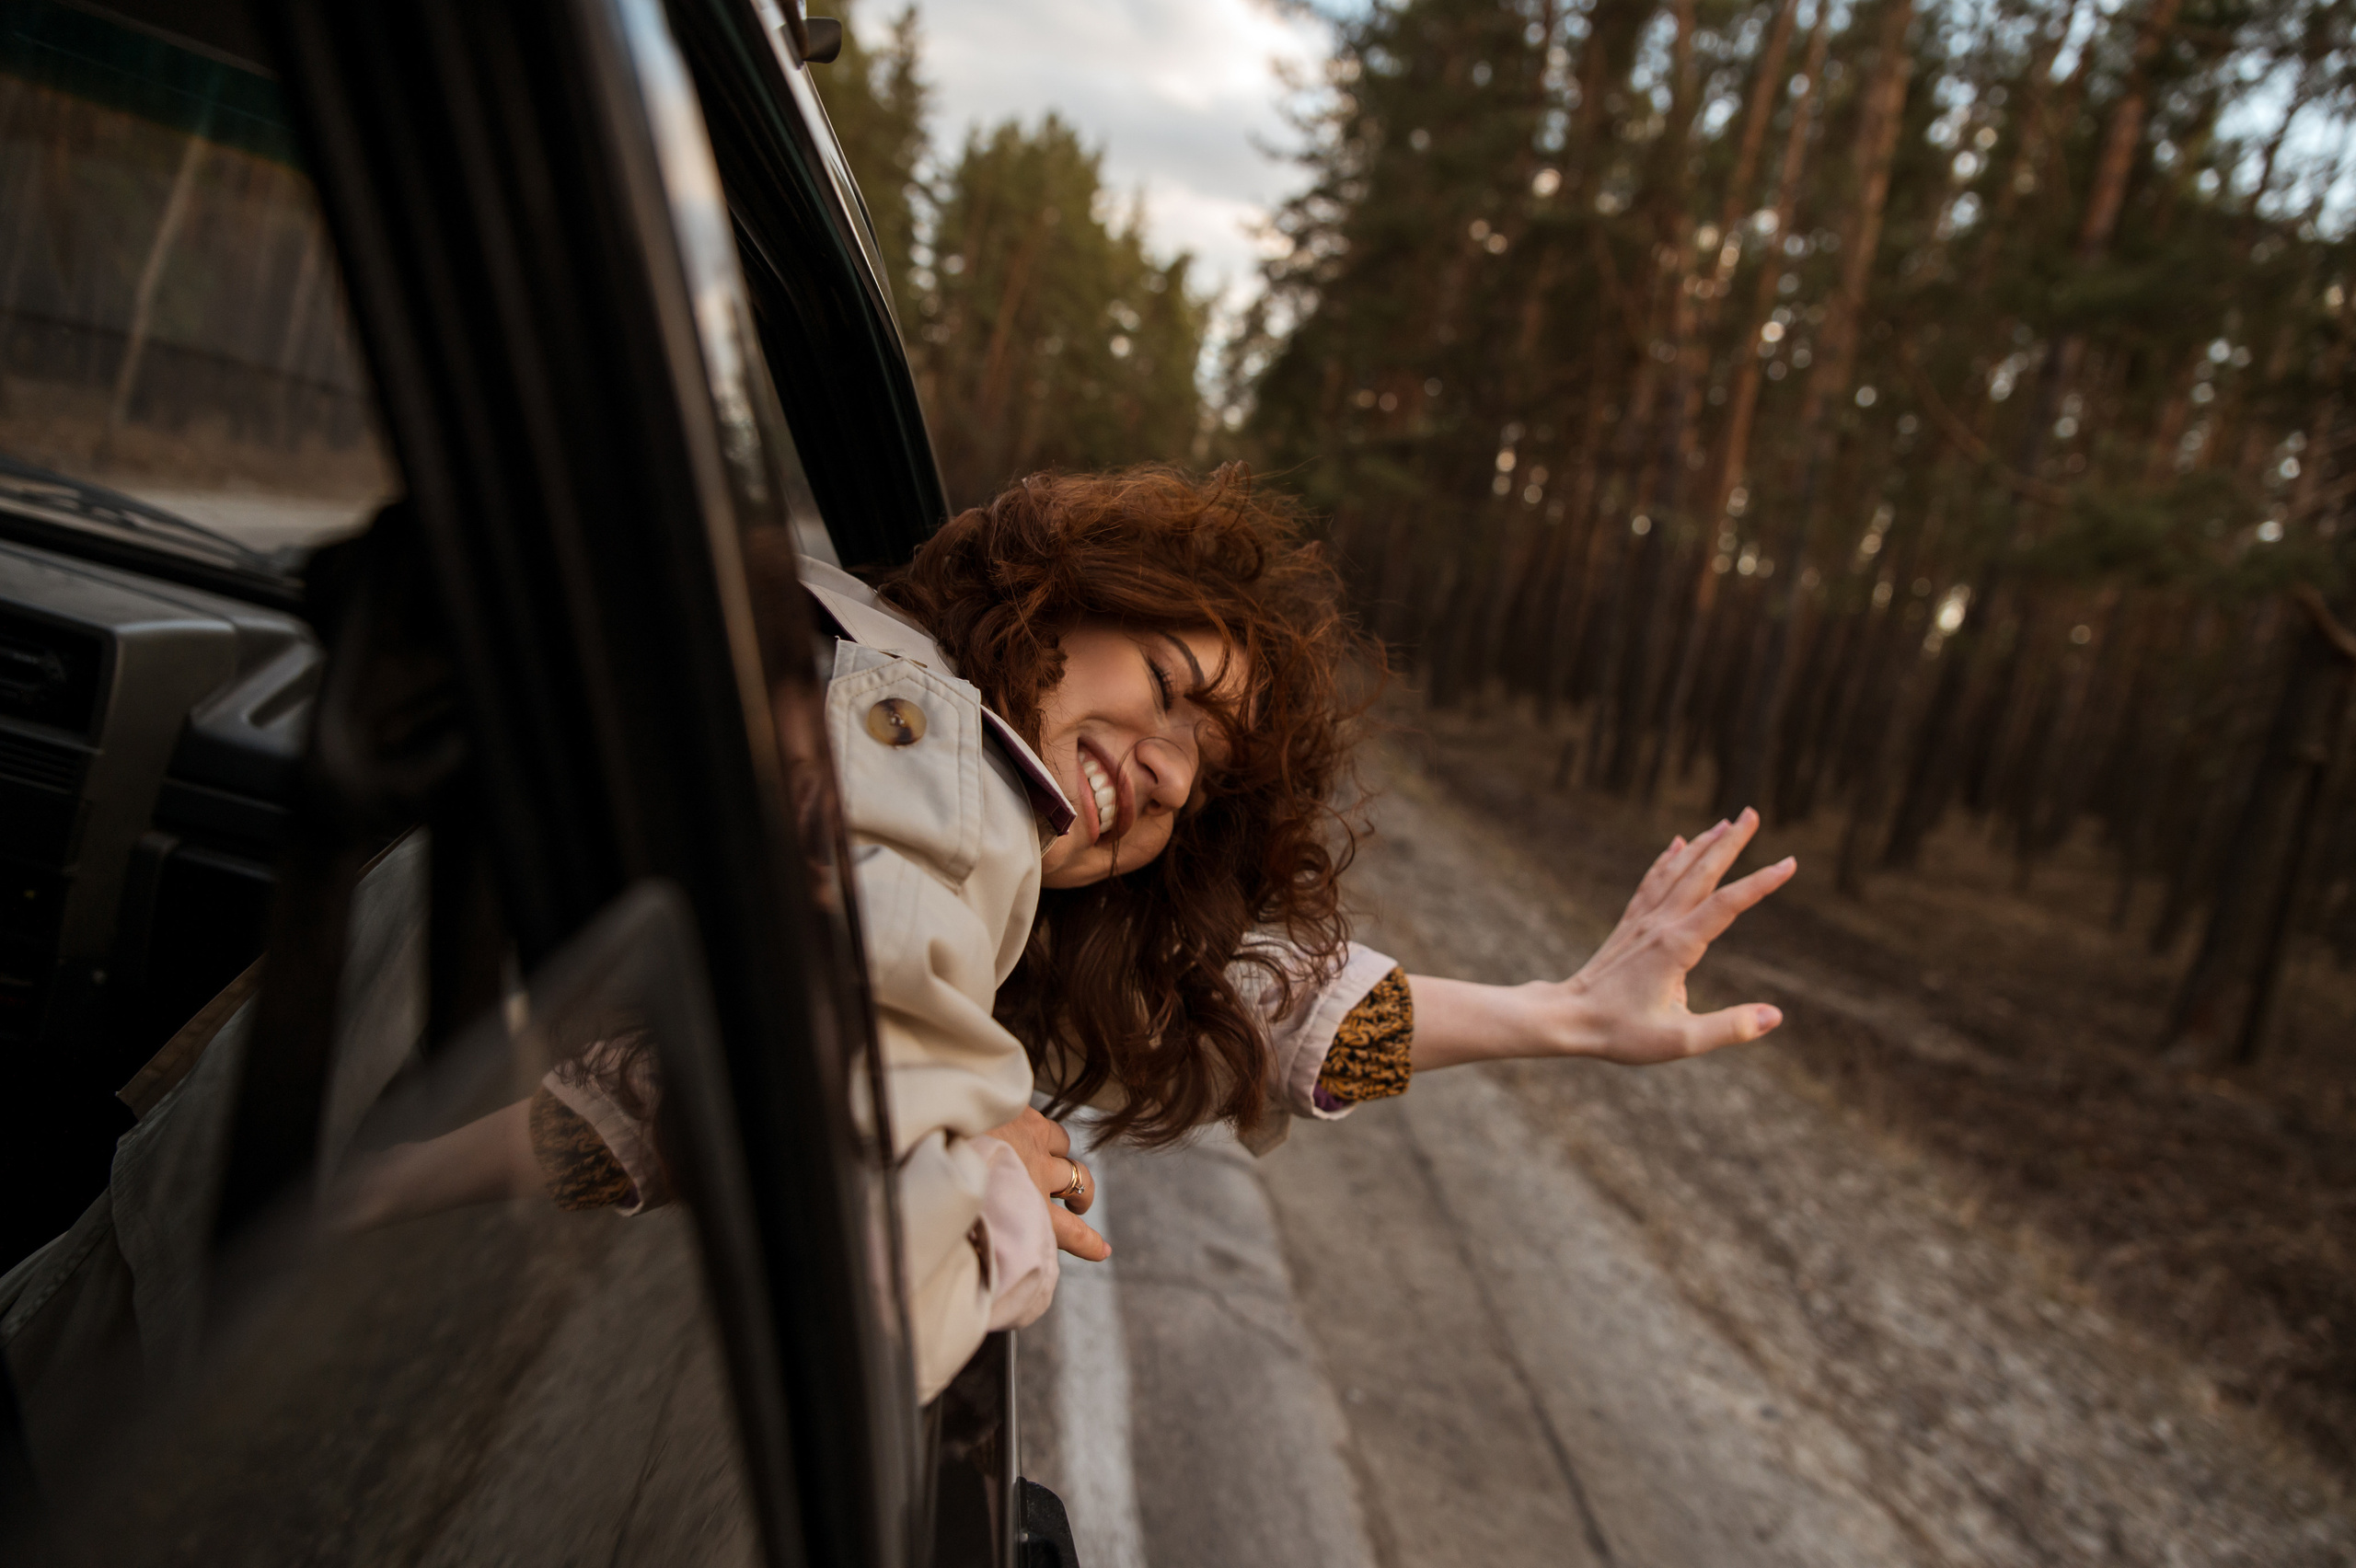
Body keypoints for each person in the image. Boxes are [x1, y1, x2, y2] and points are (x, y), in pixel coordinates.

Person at [333, 464, 1796, 1402]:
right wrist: (990, 1184)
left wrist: (1561, 1014)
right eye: (1168, 688)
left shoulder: (864, 688)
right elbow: (871, 1282)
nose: (1165, 768)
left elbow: (1241, 999)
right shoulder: (934, 763)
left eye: (1198, 776)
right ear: (1056, 602)